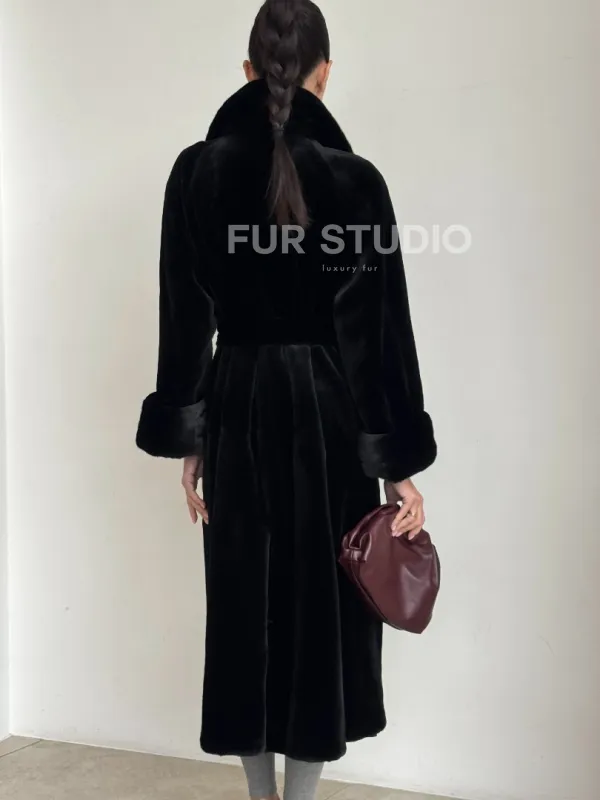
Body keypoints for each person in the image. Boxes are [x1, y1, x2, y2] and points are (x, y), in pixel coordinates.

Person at [136, 1, 437, 798]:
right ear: (324, 75)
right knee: (320, 618)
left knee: (244, 607)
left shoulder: (195, 174)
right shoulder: (357, 182)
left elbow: (183, 319)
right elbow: (379, 339)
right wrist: (398, 467)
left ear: (247, 71)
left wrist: (192, 437)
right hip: (330, 420)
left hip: (237, 409)